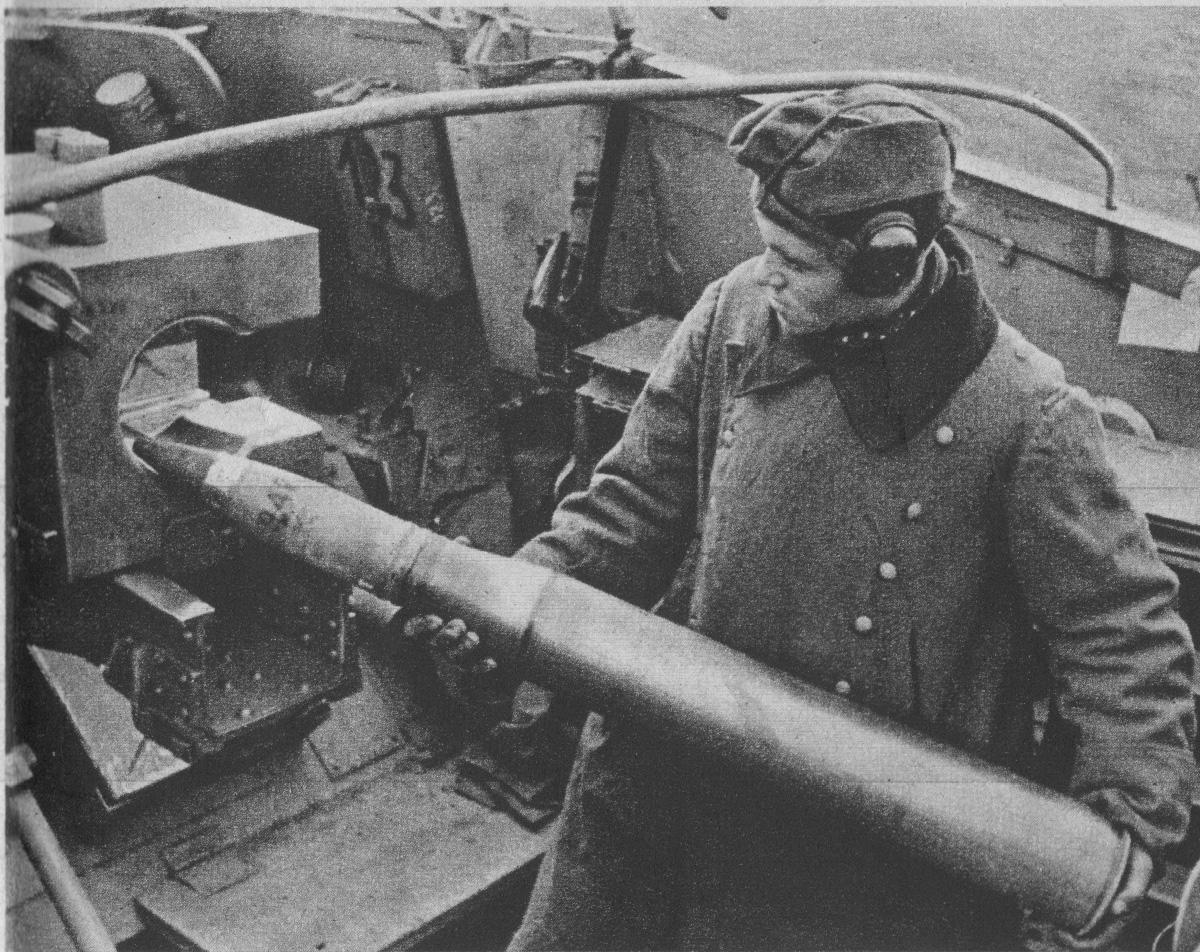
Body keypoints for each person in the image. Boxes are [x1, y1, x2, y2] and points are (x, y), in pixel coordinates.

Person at [412, 84, 1197, 949]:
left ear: (888, 262)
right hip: (670, 768)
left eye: (796, 259)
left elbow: (1119, 633)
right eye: (766, 247)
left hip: (864, 847)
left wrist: (1128, 818)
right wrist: (509, 597)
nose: (769, 273)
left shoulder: (1024, 414)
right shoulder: (736, 312)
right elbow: (631, 507)